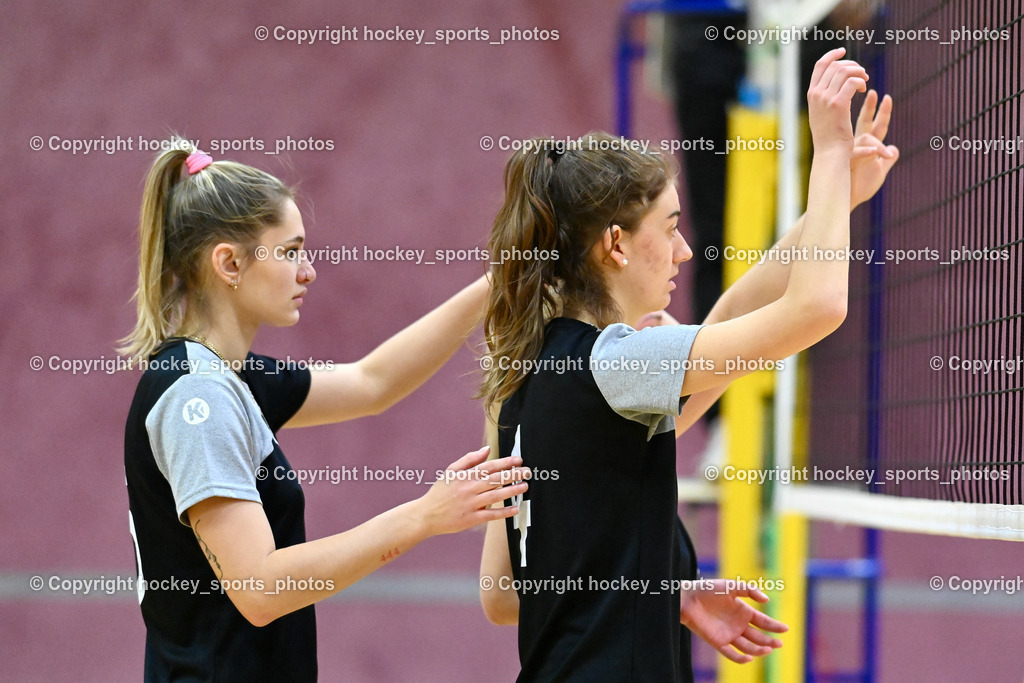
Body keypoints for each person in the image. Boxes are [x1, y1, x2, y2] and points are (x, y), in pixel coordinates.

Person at [477, 48, 898, 681]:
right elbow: (815, 309)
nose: (683, 250)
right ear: (616, 244)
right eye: (670, 227)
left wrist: (663, 595)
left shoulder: (523, 385)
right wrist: (830, 157)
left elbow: (504, 596)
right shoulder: (617, 365)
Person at [121, 142, 530, 681]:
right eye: (289, 251)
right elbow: (261, 589)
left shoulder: (232, 378)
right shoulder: (198, 398)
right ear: (229, 263)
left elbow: (372, 382)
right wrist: (425, 516)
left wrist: (503, 277)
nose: (308, 271)